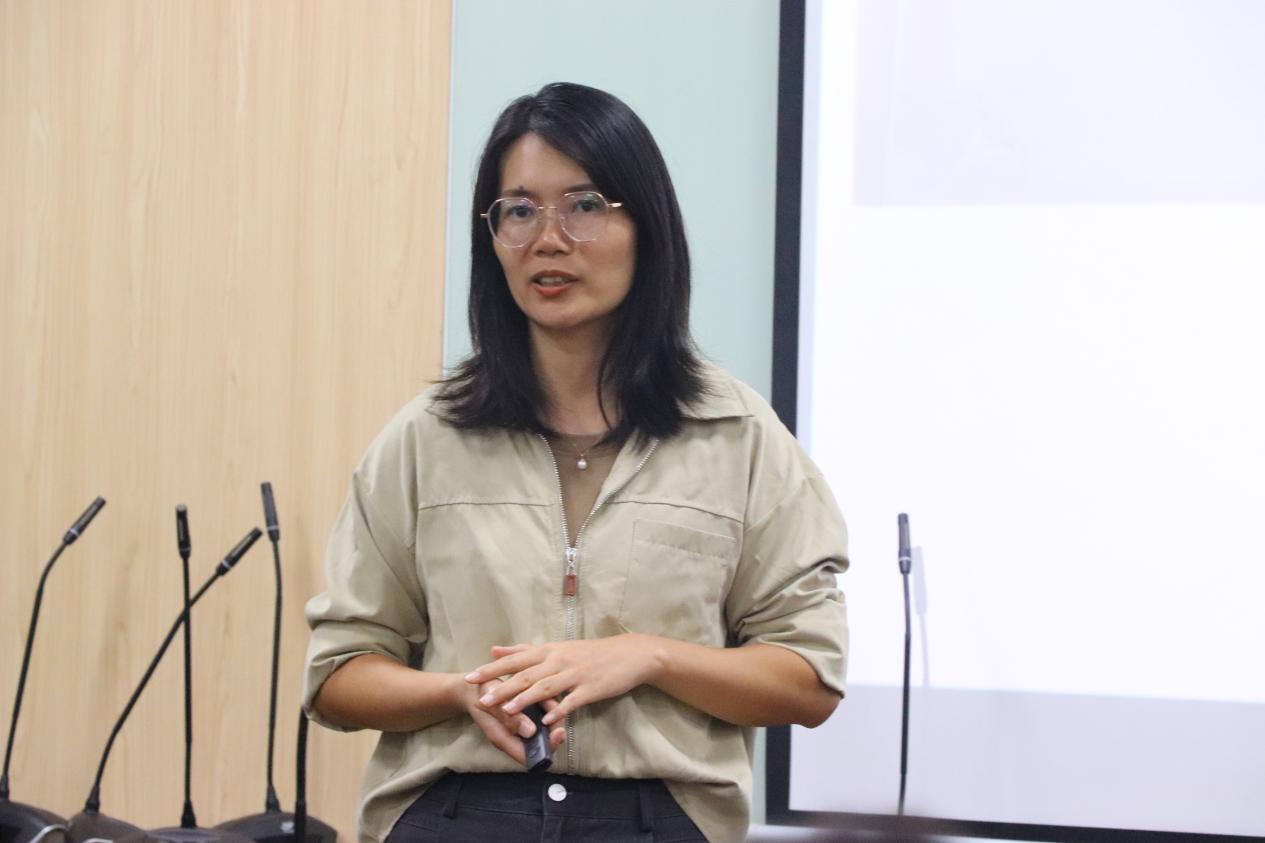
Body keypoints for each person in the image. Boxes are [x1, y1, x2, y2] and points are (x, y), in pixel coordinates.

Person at [303, 82, 849, 843]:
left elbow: (808, 677)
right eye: (519, 211)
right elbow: (338, 675)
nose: (548, 239)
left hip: (656, 816)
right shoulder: (426, 436)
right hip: (456, 811)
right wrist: (459, 693)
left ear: (646, 226)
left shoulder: (737, 434)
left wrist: (647, 657)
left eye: (585, 205)